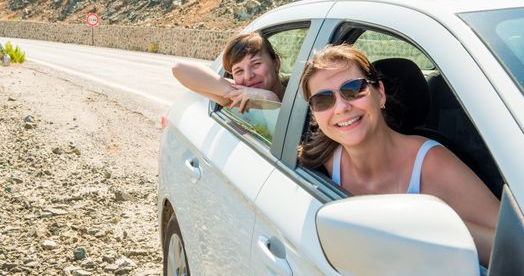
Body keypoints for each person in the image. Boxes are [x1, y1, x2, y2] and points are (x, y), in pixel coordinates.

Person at [297, 44, 499, 268]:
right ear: (314, 114)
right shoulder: (316, 162)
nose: (341, 107)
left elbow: (512, 244)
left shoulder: (432, 164)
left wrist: (438, 225)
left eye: (353, 89)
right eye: (323, 100)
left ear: (380, 94)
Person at [172, 32, 286, 113]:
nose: (248, 76)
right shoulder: (241, 97)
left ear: (276, 63)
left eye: (256, 64)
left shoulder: (301, 89)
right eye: (239, 71)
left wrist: (272, 100)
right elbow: (179, 69)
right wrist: (231, 92)